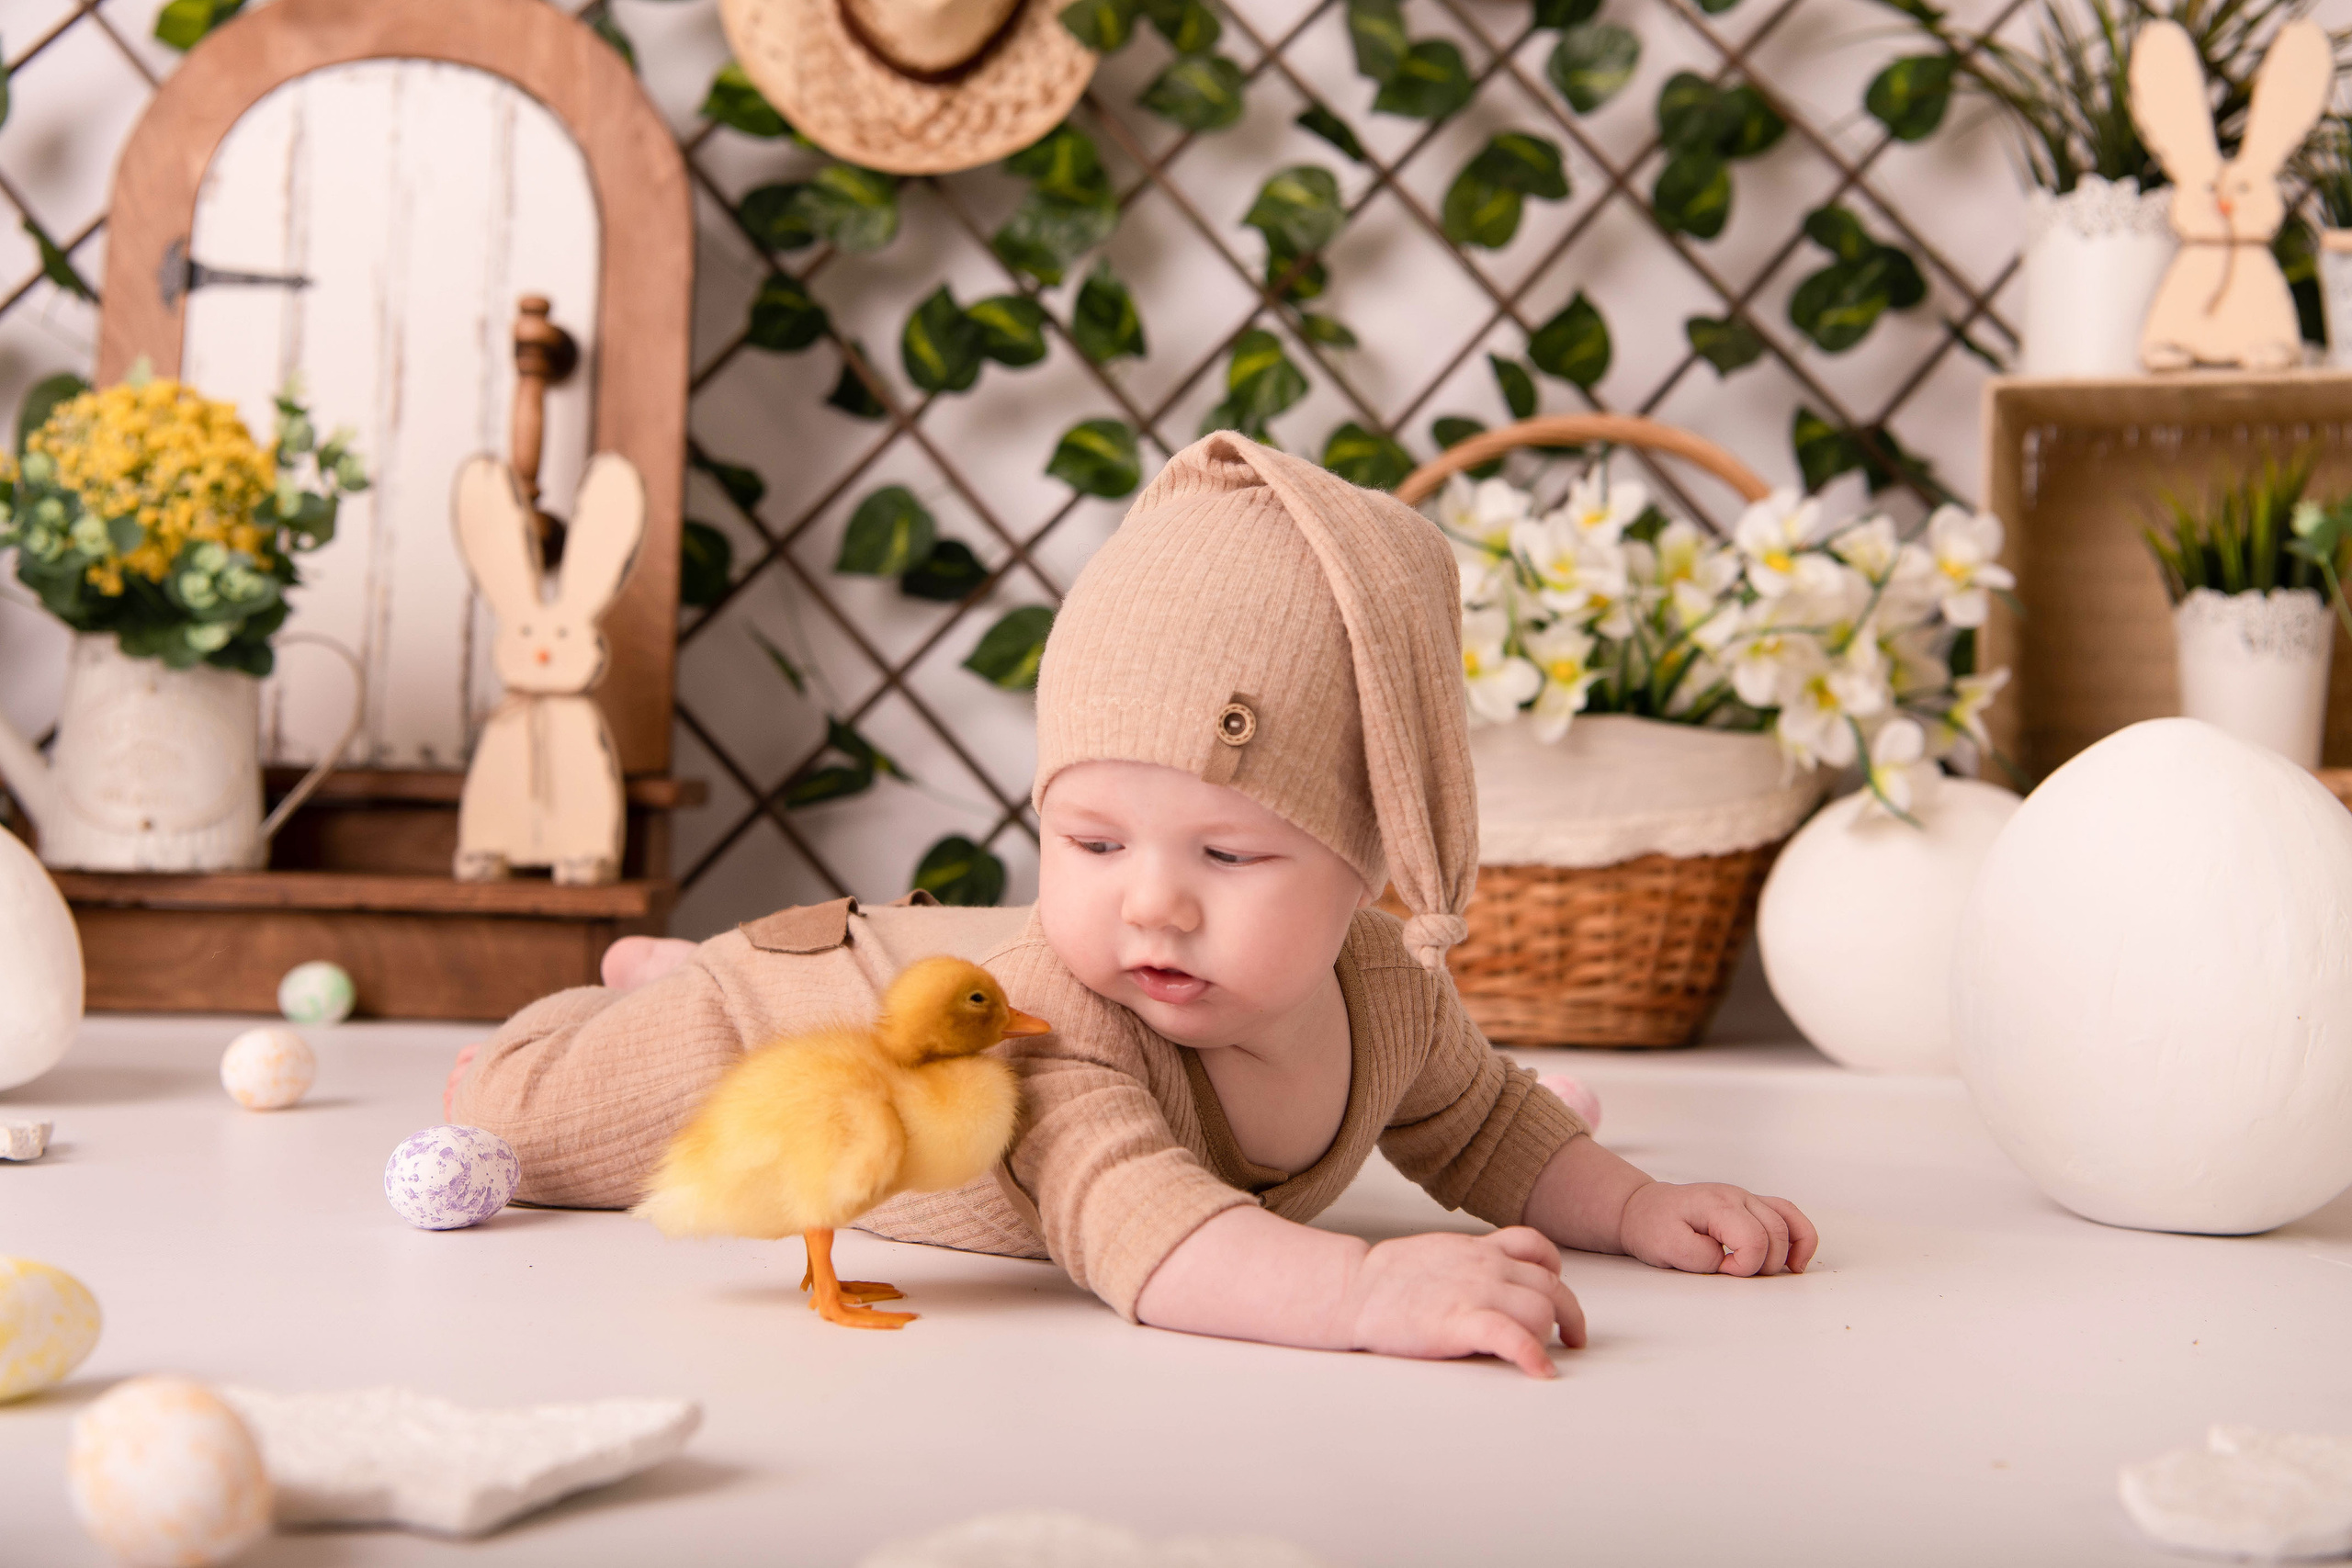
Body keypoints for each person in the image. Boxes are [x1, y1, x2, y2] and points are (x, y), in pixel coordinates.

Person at [448, 432, 1816, 1380]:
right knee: (532, 1120)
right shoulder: (1067, 1029)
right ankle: (638, 997)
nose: (1151, 907)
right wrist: (1358, 1289)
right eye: (1091, 839)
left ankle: (671, 966)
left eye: (1228, 858)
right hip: (788, 1016)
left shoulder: (1390, 988)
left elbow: (1488, 1124)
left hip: (919, 960)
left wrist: (1637, 1210)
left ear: (1364, 864)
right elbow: (1142, 1229)